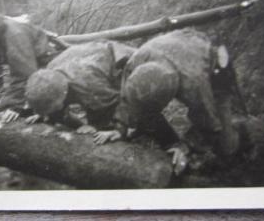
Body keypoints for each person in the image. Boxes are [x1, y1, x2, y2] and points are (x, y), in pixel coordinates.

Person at [94, 29, 242, 174]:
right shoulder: (135, 62)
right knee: (144, 110)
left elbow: (208, 120)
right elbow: (128, 96)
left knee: (225, 141)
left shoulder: (195, 84)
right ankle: (161, 135)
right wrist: (120, 127)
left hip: (214, 58)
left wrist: (186, 146)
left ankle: (236, 143)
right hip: (179, 43)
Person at [24, 41, 136, 131]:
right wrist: (44, 113)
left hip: (128, 63)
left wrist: (96, 125)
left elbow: (111, 103)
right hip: (91, 58)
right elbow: (53, 96)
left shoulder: (88, 84)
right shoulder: (50, 71)